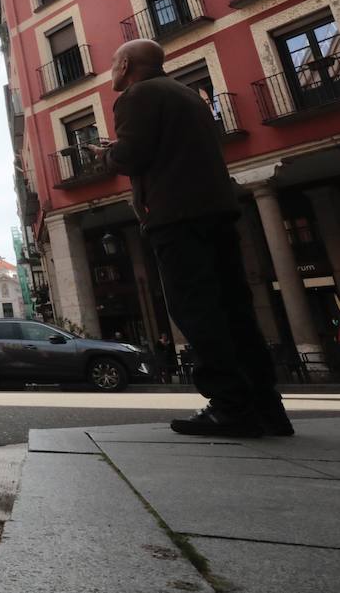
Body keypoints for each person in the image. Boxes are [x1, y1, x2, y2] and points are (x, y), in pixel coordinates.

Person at [89, 39, 290, 437]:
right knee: (235, 310)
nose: (112, 70)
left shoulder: (137, 95)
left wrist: (108, 156)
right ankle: (267, 408)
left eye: (114, 63)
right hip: (216, 209)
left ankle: (230, 406)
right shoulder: (189, 95)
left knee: (196, 309)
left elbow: (132, 157)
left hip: (175, 215)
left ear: (126, 63)